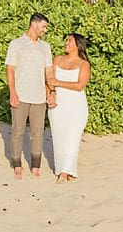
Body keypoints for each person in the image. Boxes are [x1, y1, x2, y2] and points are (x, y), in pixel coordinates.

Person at [5, 13, 55, 179]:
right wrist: (13, 92)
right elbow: (10, 69)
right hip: (21, 95)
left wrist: (50, 92)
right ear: (34, 25)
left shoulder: (45, 47)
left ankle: (35, 166)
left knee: (38, 133)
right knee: (17, 132)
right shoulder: (16, 44)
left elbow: (48, 71)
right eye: (44, 26)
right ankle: (17, 164)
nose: (45, 30)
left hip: (39, 98)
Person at [48, 33, 91, 183]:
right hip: (57, 106)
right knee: (59, 138)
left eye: (69, 41)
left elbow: (80, 86)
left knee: (73, 137)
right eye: (66, 40)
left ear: (78, 45)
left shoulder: (83, 64)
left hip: (76, 107)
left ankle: (65, 172)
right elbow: (48, 81)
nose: (66, 43)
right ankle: (65, 169)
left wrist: (58, 83)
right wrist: (51, 94)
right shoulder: (58, 59)